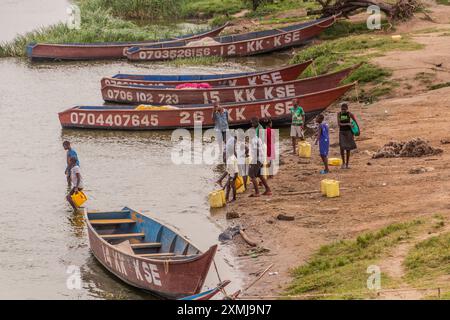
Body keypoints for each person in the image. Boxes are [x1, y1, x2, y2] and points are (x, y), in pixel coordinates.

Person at [248, 117, 271, 197]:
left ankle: (257, 192)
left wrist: (253, 161)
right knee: (259, 174)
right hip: (261, 157)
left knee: (251, 174)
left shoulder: (254, 140)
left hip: (257, 158)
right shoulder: (257, 138)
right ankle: (268, 190)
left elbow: (257, 151)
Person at [337, 102, 358, 169]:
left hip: (349, 132)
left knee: (348, 148)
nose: (343, 110)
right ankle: (343, 163)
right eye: (342, 109)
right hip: (342, 132)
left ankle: (347, 164)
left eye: (344, 109)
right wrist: (348, 124)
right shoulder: (339, 114)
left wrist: (357, 130)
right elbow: (339, 124)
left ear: (347, 109)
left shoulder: (350, 114)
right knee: (342, 148)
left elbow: (355, 122)